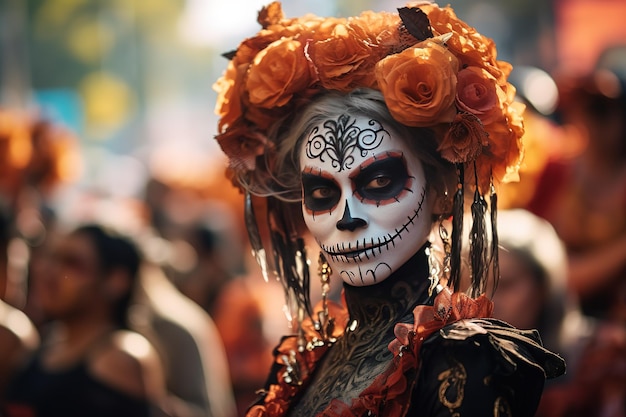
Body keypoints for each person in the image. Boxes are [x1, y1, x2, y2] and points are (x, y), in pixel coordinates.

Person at [212, 2, 565, 416]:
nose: (347, 217)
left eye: (379, 182)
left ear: (440, 191)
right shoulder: (306, 360)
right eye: (323, 193)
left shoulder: (466, 359)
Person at [2, 224, 169, 417]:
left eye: (72, 264)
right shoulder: (49, 343)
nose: (49, 272)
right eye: (52, 258)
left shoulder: (120, 357)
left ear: (116, 281)